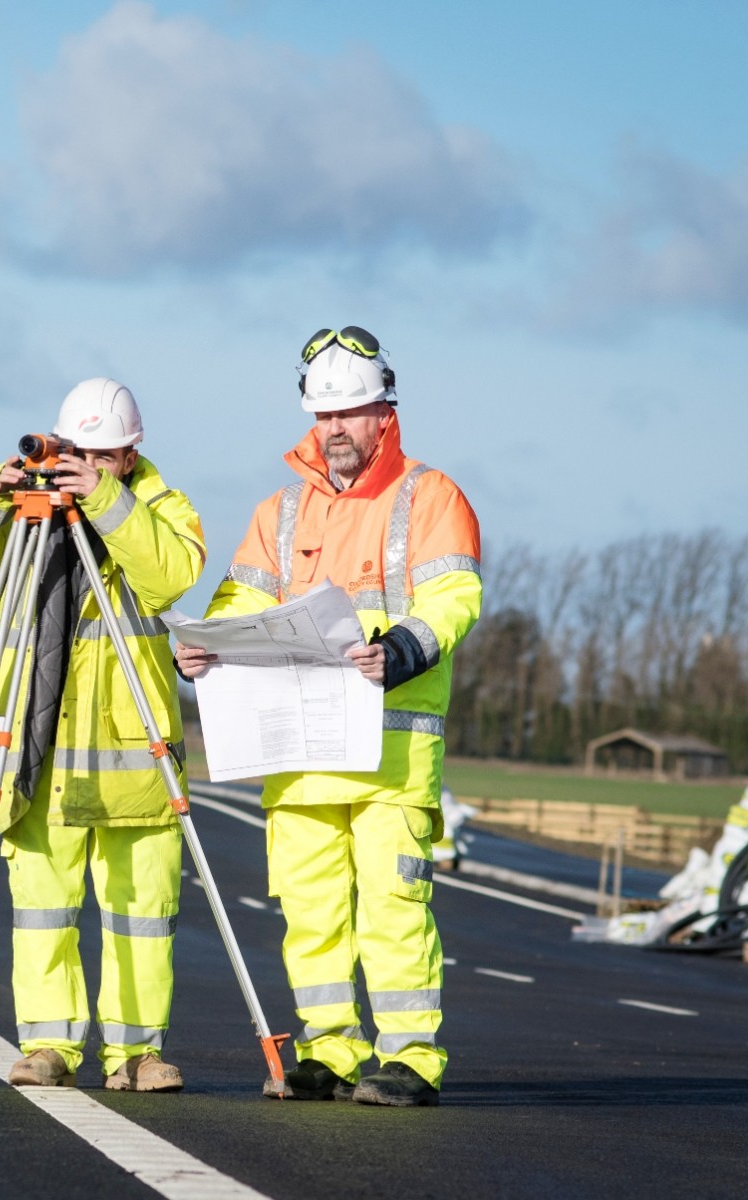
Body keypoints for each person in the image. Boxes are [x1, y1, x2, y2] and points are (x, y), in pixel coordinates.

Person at [175, 327, 481, 1107]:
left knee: (392, 907)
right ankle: (328, 1050)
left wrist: (403, 649)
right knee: (310, 912)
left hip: (388, 759)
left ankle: (409, 1059)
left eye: (351, 412)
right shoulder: (279, 511)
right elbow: (240, 601)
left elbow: (455, 599)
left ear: (385, 412)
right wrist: (208, 647)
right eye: (325, 415)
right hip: (301, 754)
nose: (336, 428)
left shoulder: (430, 495)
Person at [0, 378, 206, 1091]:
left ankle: (138, 1053)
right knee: (43, 913)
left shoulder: (161, 507)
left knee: (141, 916)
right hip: (38, 760)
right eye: (81, 454)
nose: (89, 467)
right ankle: (47, 1044)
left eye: (106, 458)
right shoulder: (27, 517)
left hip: (133, 765)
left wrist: (107, 504)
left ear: (132, 456)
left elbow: (170, 577)